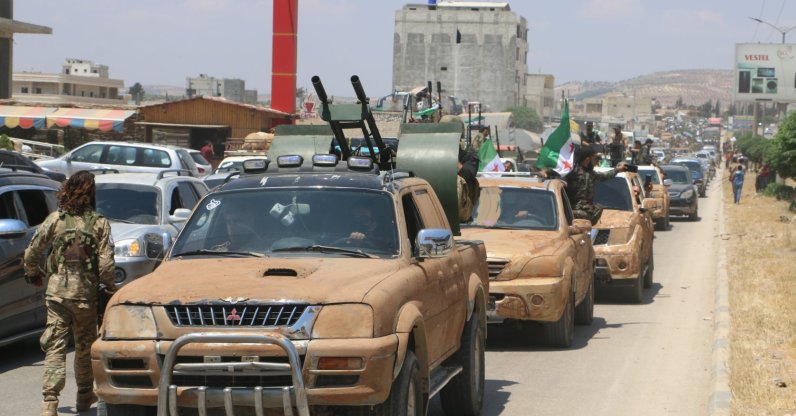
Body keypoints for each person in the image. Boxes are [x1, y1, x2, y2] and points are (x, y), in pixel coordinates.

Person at [23, 171, 116, 416]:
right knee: (84, 349)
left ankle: (50, 403)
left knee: (55, 346)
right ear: (91, 193)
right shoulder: (99, 223)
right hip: (85, 297)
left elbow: (32, 252)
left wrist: (33, 274)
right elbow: (106, 266)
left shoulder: (55, 219)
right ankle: (84, 398)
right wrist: (109, 288)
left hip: (57, 296)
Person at [564, 146, 629, 225]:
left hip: (586, 212)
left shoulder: (591, 173)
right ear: (587, 160)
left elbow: (604, 176)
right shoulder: (572, 172)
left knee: (598, 208)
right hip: (574, 212)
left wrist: (618, 170)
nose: (597, 162)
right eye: (595, 159)